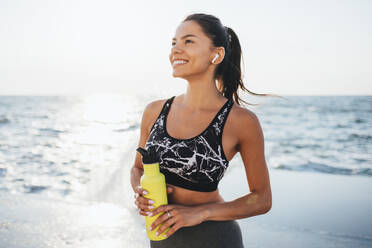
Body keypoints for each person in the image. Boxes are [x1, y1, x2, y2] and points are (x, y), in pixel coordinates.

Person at [130, 13, 272, 248]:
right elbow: (137, 168)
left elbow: (262, 199)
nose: (176, 50)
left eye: (188, 41)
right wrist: (140, 192)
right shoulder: (154, 111)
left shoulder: (241, 121)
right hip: (161, 237)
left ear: (216, 54)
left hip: (215, 238)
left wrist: (201, 213)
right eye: (173, 43)